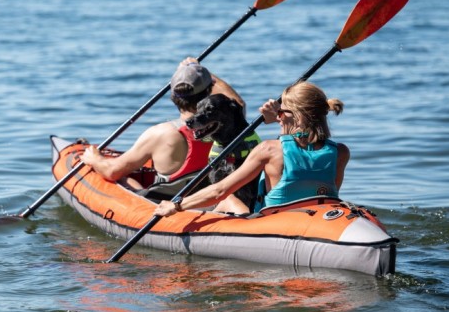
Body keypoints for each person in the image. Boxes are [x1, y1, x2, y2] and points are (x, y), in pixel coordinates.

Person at [154, 81, 350, 216]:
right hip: (315, 218)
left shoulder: (268, 150)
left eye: (280, 113)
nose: (278, 117)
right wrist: (279, 120)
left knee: (228, 199)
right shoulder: (341, 152)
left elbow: (219, 191)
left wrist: (176, 205)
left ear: (294, 116)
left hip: (275, 222)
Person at [80, 57, 244, 190]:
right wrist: (198, 70)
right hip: (212, 200)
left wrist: (95, 159)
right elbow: (237, 102)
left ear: (173, 96)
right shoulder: (230, 118)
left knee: (122, 177)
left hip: (170, 206)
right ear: (210, 91)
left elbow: (111, 172)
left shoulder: (160, 134)